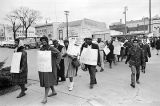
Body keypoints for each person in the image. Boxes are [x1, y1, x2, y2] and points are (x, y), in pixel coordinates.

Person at [38, 36, 61, 104]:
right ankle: (53, 91)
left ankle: (45, 98)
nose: (43, 42)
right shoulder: (42, 48)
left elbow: (59, 54)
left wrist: (57, 63)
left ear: (47, 41)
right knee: (48, 80)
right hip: (44, 67)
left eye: (44, 40)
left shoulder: (51, 48)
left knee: (47, 81)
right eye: (42, 40)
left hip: (50, 67)